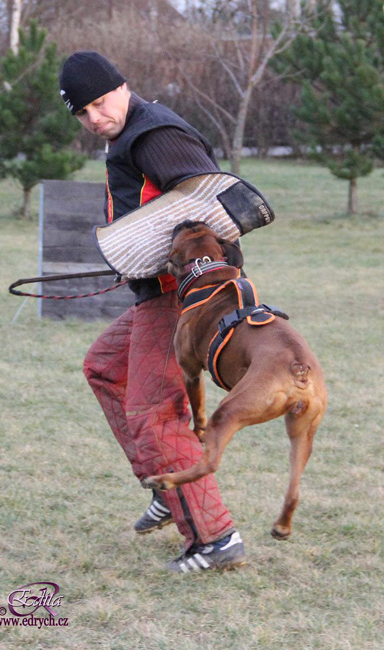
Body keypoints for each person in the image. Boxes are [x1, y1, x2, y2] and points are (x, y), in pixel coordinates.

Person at [59, 51, 246, 573]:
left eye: (99, 102)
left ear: (122, 86)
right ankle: (165, 480)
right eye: (83, 112)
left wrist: (198, 294)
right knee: (103, 367)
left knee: (152, 414)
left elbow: (213, 206)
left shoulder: (153, 134)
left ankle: (216, 539)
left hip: (178, 297)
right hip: (157, 293)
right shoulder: (127, 134)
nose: (95, 117)